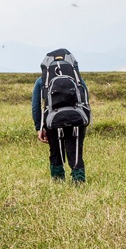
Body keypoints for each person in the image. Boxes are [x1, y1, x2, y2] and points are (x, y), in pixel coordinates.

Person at [32, 49, 89, 183]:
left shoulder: (42, 81)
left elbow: (36, 106)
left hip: (52, 120)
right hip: (77, 120)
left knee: (55, 151)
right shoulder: (77, 79)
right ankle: (78, 181)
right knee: (75, 151)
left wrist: (38, 127)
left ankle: (58, 181)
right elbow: (85, 99)